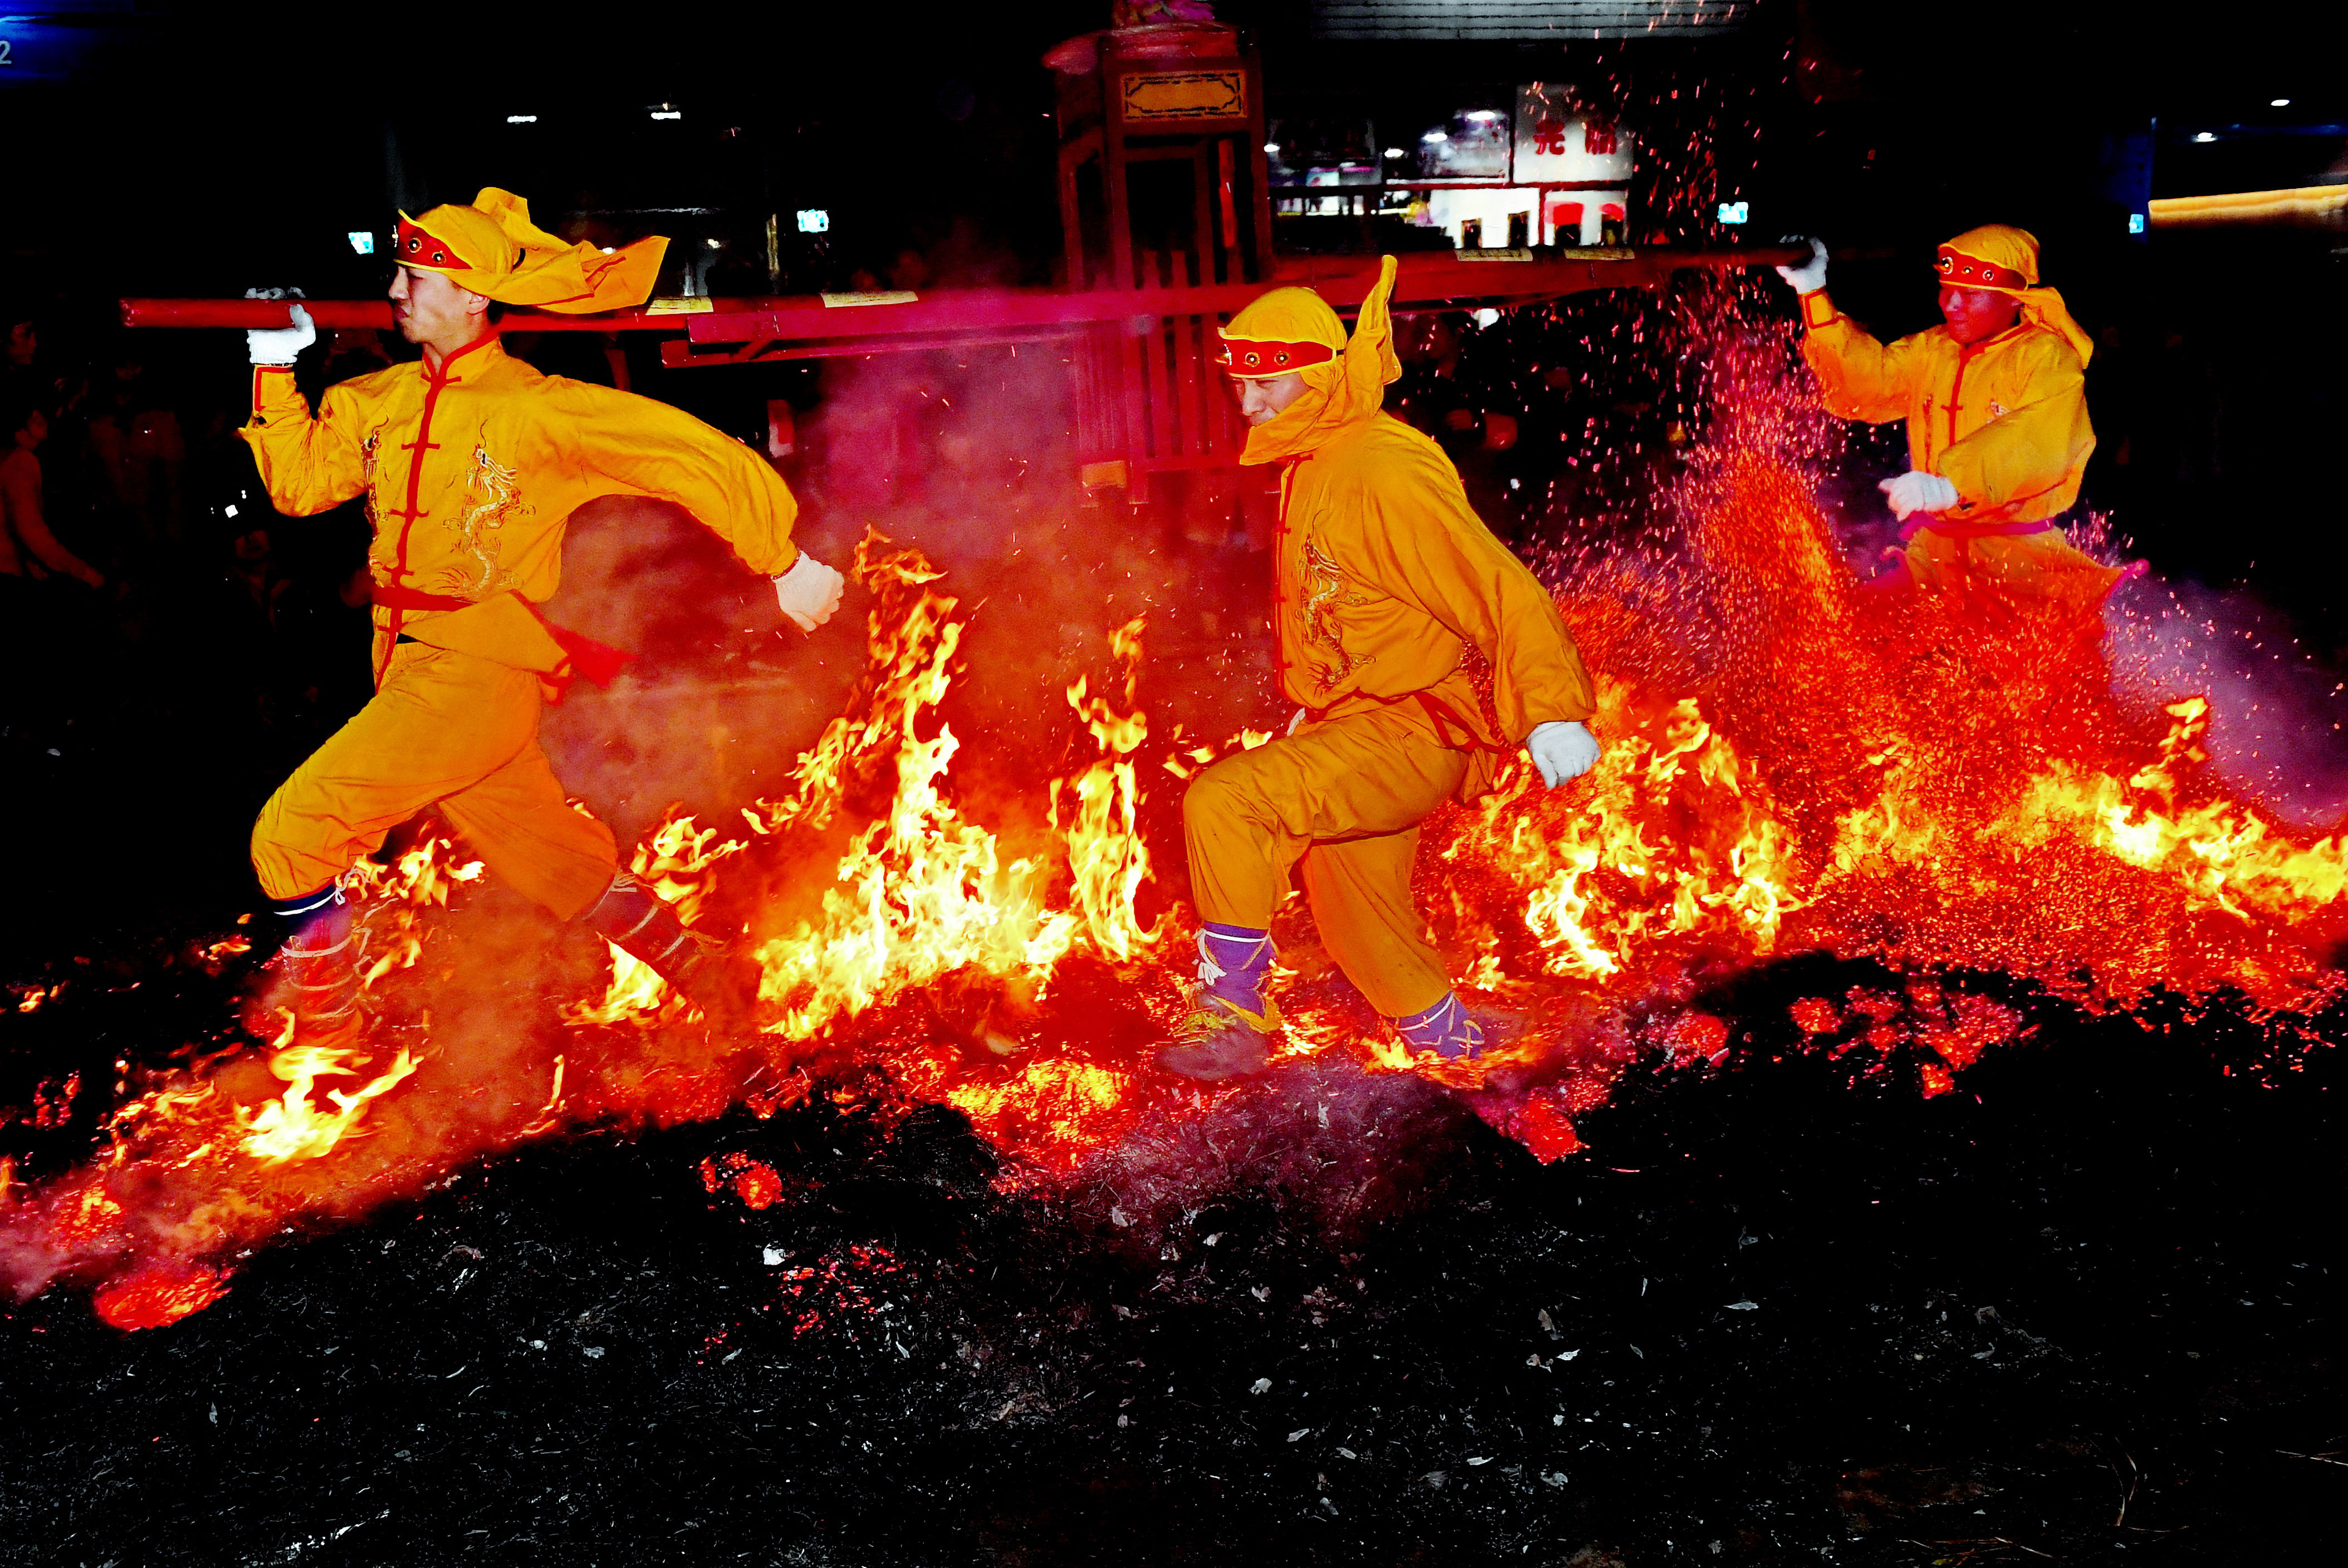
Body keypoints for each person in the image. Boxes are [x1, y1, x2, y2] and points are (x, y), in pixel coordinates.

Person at [238, 188, 847, 1050]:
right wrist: (272, 366)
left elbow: (687, 452)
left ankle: (328, 1046)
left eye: (414, 277)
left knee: (293, 834)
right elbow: (298, 486)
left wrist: (781, 561)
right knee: (559, 863)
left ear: (474, 297)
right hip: (406, 662)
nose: (396, 291)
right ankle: (714, 979)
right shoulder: (375, 399)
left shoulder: (537, 408)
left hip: (475, 672)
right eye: (399, 274)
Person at [1161, 257, 1601, 1081]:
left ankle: (1232, 1012)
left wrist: (1551, 710)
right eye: (1239, 385)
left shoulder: (1380, 467)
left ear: (1319, 378)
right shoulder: (1317, 457)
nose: (1247, 402)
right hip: (1362, 722)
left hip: (1409, 731)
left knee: (1226, 801)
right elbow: (1345, 604)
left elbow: (1495, 586)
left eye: (1266, 384)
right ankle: (1461, 1046)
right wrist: (1317, 701)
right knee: (1352, 899)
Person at [1774, 226, 2115, 611]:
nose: (1950, 303)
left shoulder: (2046, 357)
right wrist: (1813, 292)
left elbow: (2041, 439)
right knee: (1857, 634)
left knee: (2028, 665)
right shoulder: (1933, 349)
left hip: (2016, 567)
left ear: (2014, 300)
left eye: (1969, 294)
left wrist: (1952, 485)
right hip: (1935, 557)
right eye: (1947, 288)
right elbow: (1864, 389)